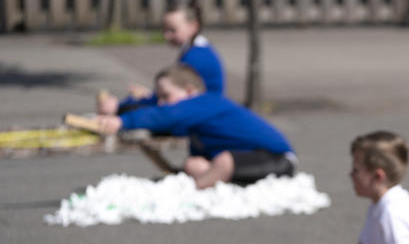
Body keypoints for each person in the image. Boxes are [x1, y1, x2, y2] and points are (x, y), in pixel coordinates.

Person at [95, 64, 296, 189]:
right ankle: (225, 184)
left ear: (190, 92)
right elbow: (161, 113)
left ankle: (192, 192)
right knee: (194, 164)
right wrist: (124, 107)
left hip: (277, 159)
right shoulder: (192, 109)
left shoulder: (205, 102)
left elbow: (166, 115)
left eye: (166, 96)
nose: (162, 103)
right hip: (242, 160)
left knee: (224, 162)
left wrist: (124, 121)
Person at [96, 1, 225, 115]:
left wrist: (120, 106)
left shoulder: (195, 57)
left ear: (193, 27)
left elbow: (172, 100)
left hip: (202, 114)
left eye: (173, 30)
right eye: (164, 30)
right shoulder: (199, 49)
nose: (166, 36)